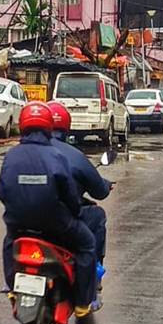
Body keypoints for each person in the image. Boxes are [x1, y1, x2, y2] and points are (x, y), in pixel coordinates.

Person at [0, 102, 99, 315]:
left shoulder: (11, 156)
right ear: (48, 127)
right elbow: (69, 195)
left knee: (9, 243)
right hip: (55, 222)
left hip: (18, 223)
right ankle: (82, 303)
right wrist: (76, 213)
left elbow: (2, 192)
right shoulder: (56, 156)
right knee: (88, 244)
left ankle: (11, 286)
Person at [45, 101, 110, 268]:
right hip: (59, 221)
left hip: (24, 221)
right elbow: (99, 191)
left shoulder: (19, 153)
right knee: (97, 215)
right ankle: (94, 272)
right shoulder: (75, 156)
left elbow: (4, 191)